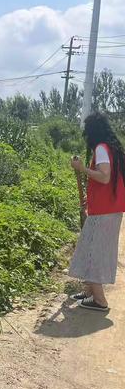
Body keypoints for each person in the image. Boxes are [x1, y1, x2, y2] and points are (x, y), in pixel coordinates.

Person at [70, 112, 125, 311]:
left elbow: (104, 177)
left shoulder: (101, 148)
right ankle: (89, 291)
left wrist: (81, 168)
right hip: (108, 208)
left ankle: (100, 300)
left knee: (95, 252)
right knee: (93, 249)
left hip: (105, 212)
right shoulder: (111, 148)